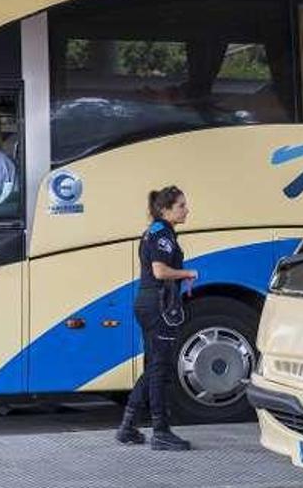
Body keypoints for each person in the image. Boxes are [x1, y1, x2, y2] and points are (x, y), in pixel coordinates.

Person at [116, 186, 198, 451]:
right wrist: (186, 274)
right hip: (159, 305)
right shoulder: (162, 234)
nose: (187, 210)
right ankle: (161, 432)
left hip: (148, 302)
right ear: (165, 210)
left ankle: (128, 427)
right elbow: (160, 271)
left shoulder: (155, 231)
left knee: (153, 366)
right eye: (181, 206)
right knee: (160, 368)